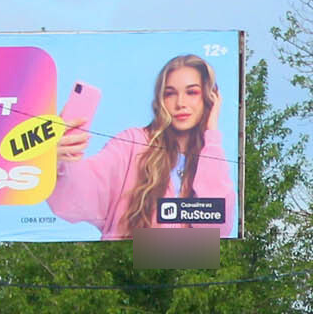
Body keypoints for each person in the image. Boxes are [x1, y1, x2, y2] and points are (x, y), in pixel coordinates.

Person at [48, 54, 231, 241]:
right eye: (170, 93)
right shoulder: (132, 143)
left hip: (191, 258)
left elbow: (217, 228)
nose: (180, 103)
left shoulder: (211, 156)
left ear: (210, 98)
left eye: (192, 92)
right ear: (160, 99)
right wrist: (58, 162)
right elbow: (78, 198)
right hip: (128, 257)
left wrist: (212, 137)